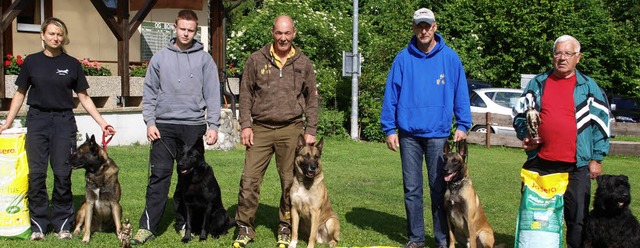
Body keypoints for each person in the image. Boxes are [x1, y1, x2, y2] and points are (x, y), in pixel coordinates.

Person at [0, 17, 116, 241]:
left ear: (64, 37)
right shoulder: (31, 62)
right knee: (36, 175)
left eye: (59, 34)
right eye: (51, 33)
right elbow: (20, 94)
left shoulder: (72, 64)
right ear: (43, 35)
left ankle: (63, 223)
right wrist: (7, 122)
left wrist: (102, 122)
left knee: (63, 175)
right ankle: (39, 225)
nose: (55, 38)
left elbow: (83, 96)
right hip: (37, 121)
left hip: (63, 122)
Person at [380, 8, 472, 248]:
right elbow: (391, 94)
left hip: (438, 135)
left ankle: (443, 240)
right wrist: (389, 129)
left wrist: (463, 124)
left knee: (438, 189)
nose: (423, 30)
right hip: (409, 135)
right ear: (414, 28)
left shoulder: (450, 58)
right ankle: (416, 239)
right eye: (419, 26)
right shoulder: (402, 58)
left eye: (427, 25)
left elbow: (461, 92)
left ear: (435, 27)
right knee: (412, 189)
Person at [130, 9, 221, 245]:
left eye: (191, 30)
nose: (186, 34)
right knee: (159, 176)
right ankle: (147, 226)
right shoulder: (160, 57)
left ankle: (184, 224)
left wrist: (213, 124)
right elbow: (149, 92)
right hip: (164, 127)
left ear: (195, 31)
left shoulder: (204, 59)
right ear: (175, 27)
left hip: (193, 127)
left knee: (189, 181)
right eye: (183, 29)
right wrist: (150, 122)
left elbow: (213, 93)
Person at [513, 35, 610, 248]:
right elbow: (521, 114)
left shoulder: (589, 87)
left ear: (578, 57)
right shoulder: (537, 83)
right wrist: (526, 135)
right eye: (558, 53)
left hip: (577, 166)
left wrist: (597, 157)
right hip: (541, 163)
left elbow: (601, 123)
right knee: (538, 218)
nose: (562, 58)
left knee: (577, 220)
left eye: (568, 53)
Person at [232, 15, 318, 248]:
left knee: (290, 182)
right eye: (279, 33)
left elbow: (312, 98)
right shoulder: (255, 60)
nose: (283, 38)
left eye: (287, 33)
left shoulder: (303, 63)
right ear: (272, 32)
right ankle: (244, 227)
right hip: (259, 128)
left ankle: (286, 226)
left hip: (291, 129)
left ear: (294, 33)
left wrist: (310, 129)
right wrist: (246, 125)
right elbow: (246, 94)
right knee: (249, 179)